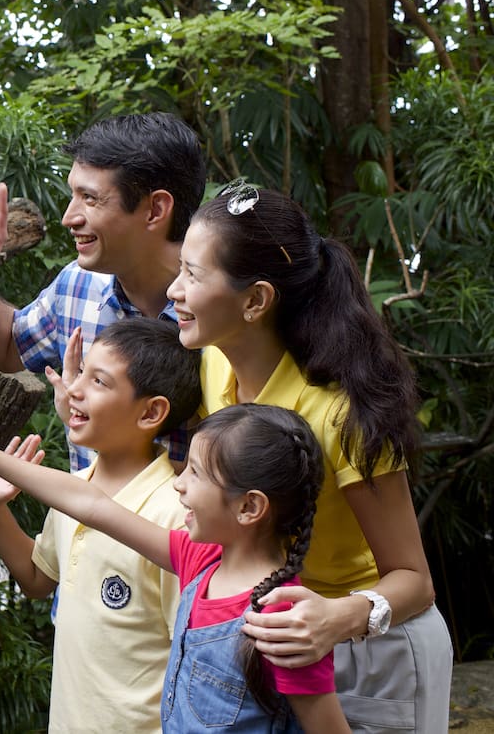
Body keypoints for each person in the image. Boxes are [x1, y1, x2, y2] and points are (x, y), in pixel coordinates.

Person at [165, 182, 452, 732]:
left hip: (379, 647)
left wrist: (338, 617)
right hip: (296, 641)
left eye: (194, 276)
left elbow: (415, 581)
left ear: (255, 300)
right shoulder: (216, 365)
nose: (175, 290)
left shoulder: (339, 415)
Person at [0, 379, 353, 733]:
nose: (179, 484)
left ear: (249, 508)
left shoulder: (282, 623)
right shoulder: (200, 560)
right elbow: (91, 504)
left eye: (196, 474)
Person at [0, 317, 200, 733]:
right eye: (80, 374)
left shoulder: (172, 517)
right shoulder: (73, 492)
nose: (73, 389)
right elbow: (38, 580)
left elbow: (193, 661)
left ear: (151, 412)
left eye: (99, 381)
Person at [0, 112, 205, 469]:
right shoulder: (77, 283)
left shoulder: (226, 308)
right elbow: (8, 347)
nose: (68, 217)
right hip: (85, 522)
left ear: (155, 209)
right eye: (73, 194)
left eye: (89, 198)